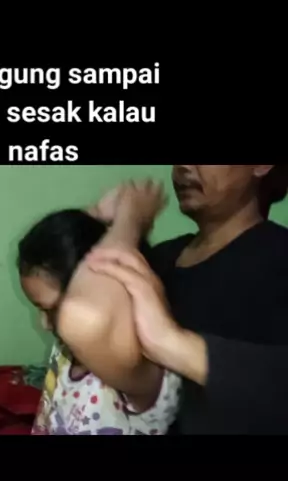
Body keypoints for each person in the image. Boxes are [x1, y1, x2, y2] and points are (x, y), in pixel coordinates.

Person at [73, 165, 288, 434]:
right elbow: (75, 305)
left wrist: (171, 342)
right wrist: (100, 219)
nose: (183, 167)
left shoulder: (280, 258)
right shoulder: (161, 258)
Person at [16, 206, 181, 435]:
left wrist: (130, 213)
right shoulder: (65, 350)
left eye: (52, 310)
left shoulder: (143, 374)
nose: (44, 324)